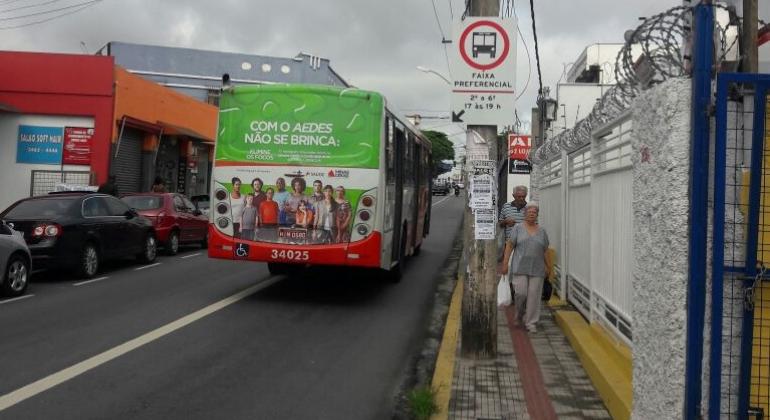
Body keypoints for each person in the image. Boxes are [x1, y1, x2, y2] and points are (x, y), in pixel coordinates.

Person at [501, 203, 550, 333]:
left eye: (534, 212)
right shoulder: (518, 228)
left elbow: (545, 250)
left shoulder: (542, 231)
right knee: (521, 294)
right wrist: (505, 264)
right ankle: (519, 315)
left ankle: (531, 323)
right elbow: (510, 246)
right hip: (520, 267)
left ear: (537, 215)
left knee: (534, 295)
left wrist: (548, 266)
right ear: (525, 214)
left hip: (537, 268)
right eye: (529, 212)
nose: (532, 214)